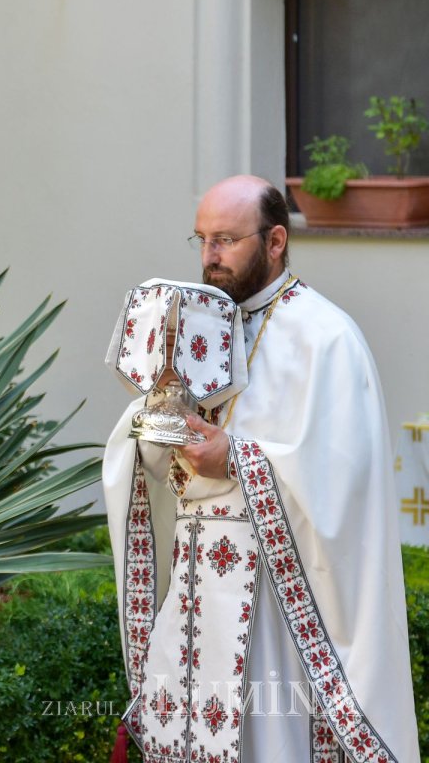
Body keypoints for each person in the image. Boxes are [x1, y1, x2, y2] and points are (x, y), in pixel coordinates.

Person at [103, 175, 418, 762]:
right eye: (201, 239)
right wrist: (151, 431)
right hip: (197, 590)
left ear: (275, 241)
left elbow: (342, 488)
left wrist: (238, 459)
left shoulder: (327, 338)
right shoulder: (198, 327)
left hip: (277, 607)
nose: (209, 257)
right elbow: (151, 451)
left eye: (225, 240)